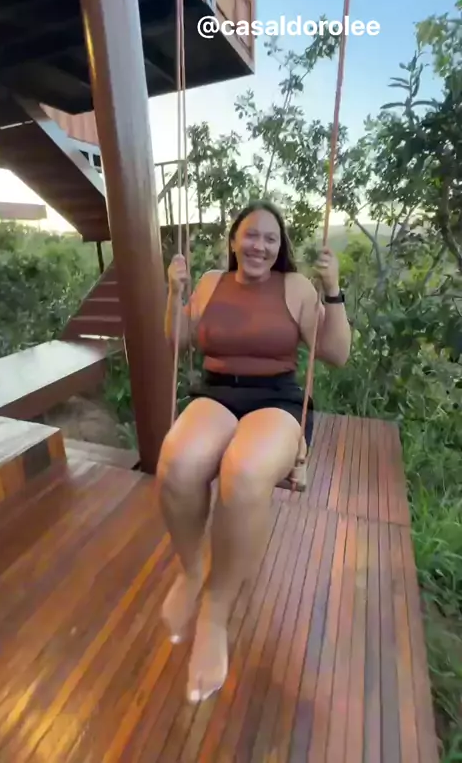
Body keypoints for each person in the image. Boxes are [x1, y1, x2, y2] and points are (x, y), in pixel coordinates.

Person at [156, 200, 351, 703]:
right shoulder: (209, 283)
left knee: (242, 472)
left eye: (269, 238)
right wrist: (174, 293)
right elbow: (179, 339)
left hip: (277, 398)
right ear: (233, 240)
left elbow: (336, 354)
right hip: (217, 393)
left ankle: (216, 611)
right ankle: (192, 570)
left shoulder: (296, 288)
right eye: (250, 235)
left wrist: (333, 290)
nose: (259, 245)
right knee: (177, 461)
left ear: (280, 246)